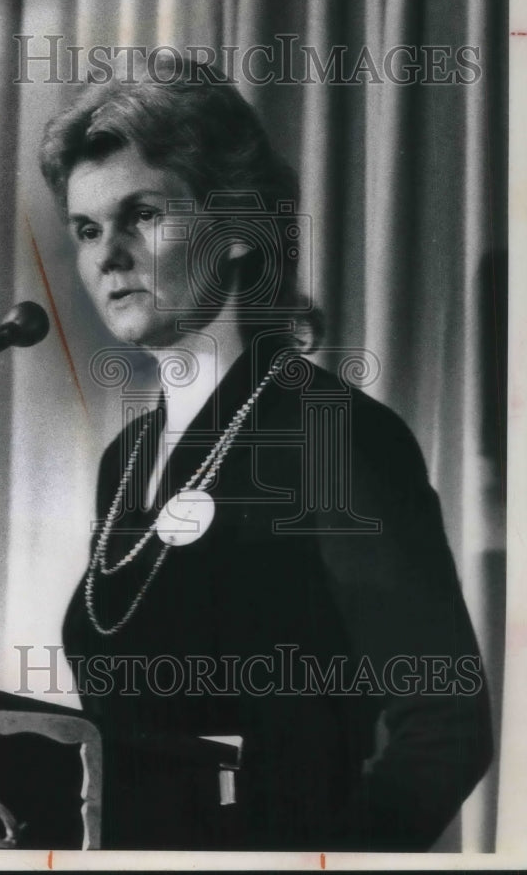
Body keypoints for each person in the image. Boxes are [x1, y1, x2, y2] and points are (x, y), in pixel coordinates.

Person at [39, 54, 493, 851]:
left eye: (142, 215)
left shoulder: (328, 432)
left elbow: (446, 725)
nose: (106, 253)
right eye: (86, 228)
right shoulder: (126, 461)